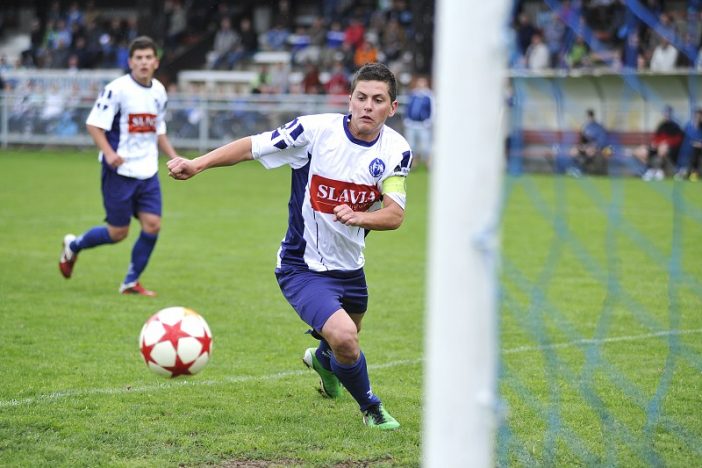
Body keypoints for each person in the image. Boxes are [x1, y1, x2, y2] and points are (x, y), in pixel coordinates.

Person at [167, 63, 411, 430]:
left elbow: (394, 214)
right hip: (302, 266)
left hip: (350, 267)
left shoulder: (396, 150)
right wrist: (198, 164)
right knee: (345, 338)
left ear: (392, 108)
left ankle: (323, 362)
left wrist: (359, 217)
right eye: (361, 97)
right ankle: (372, 409)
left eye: (378, 100)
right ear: (349, 99)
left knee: (343, 341)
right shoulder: (314, 132)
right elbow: (253, 146)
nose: (367, 106)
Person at [59, 36, 181, 296]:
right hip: (120, 172)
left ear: (156, 62)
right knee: (118, 233)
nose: (144, 62)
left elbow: (158, 129)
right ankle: (74, 245)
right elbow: (94, 124)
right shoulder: (117, 89)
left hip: (148, 171)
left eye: (148, 57)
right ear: (130, 62)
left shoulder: (159, 91)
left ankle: (130, 282)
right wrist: (109, 153)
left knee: (153, 225)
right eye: (139, 58)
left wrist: (174, 157)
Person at [635, 105, 684, 181]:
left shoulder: (675, 126)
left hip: (670, 149)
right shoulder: (661, 125)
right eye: (665, 113)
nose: (666, 115)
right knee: (639, 151)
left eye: (668, 113)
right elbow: (656, 139)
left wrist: (666, 142)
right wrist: (655, 143)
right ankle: (650, 170)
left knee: (663, 148)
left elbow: (678, 140)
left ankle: (658, 170)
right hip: (657, 147)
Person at [403, 75, 434, 168]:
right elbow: (408, 107)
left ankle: (428, 164)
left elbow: (433, 110)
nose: (421, 85)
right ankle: (413, 164)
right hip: (412, 124)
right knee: (412, 145)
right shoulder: (413, 94)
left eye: (422, 83)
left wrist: (429, 121)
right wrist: (407, 119)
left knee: (425, 146)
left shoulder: (429, 96)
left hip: (423, 125)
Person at [568, 108, 610, 176]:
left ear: (592, 116)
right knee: (573, 151)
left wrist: (593, 147)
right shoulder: (586, 127)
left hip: (595, 149)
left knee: (589, 152)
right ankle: (576, 170)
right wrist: (580, 146)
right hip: (586, 148)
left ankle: (586, 171)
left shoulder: (599, 127)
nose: (588, 118)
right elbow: (583, 140)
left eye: (589, 116)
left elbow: (602, 142)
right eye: (587, 117)